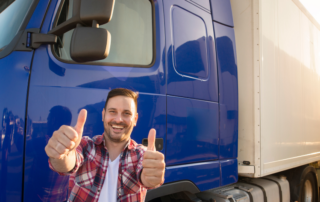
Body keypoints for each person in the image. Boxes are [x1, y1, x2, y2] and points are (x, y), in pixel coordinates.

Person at [45, 88, 165, 202]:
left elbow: (146, 177)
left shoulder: (142, 155)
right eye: (112, 112)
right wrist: (61, 155)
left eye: (126, 113)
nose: (118, 119)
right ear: (103, 115)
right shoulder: (86, 145)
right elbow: (67, 163)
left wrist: (151, 177)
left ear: (135, 119)